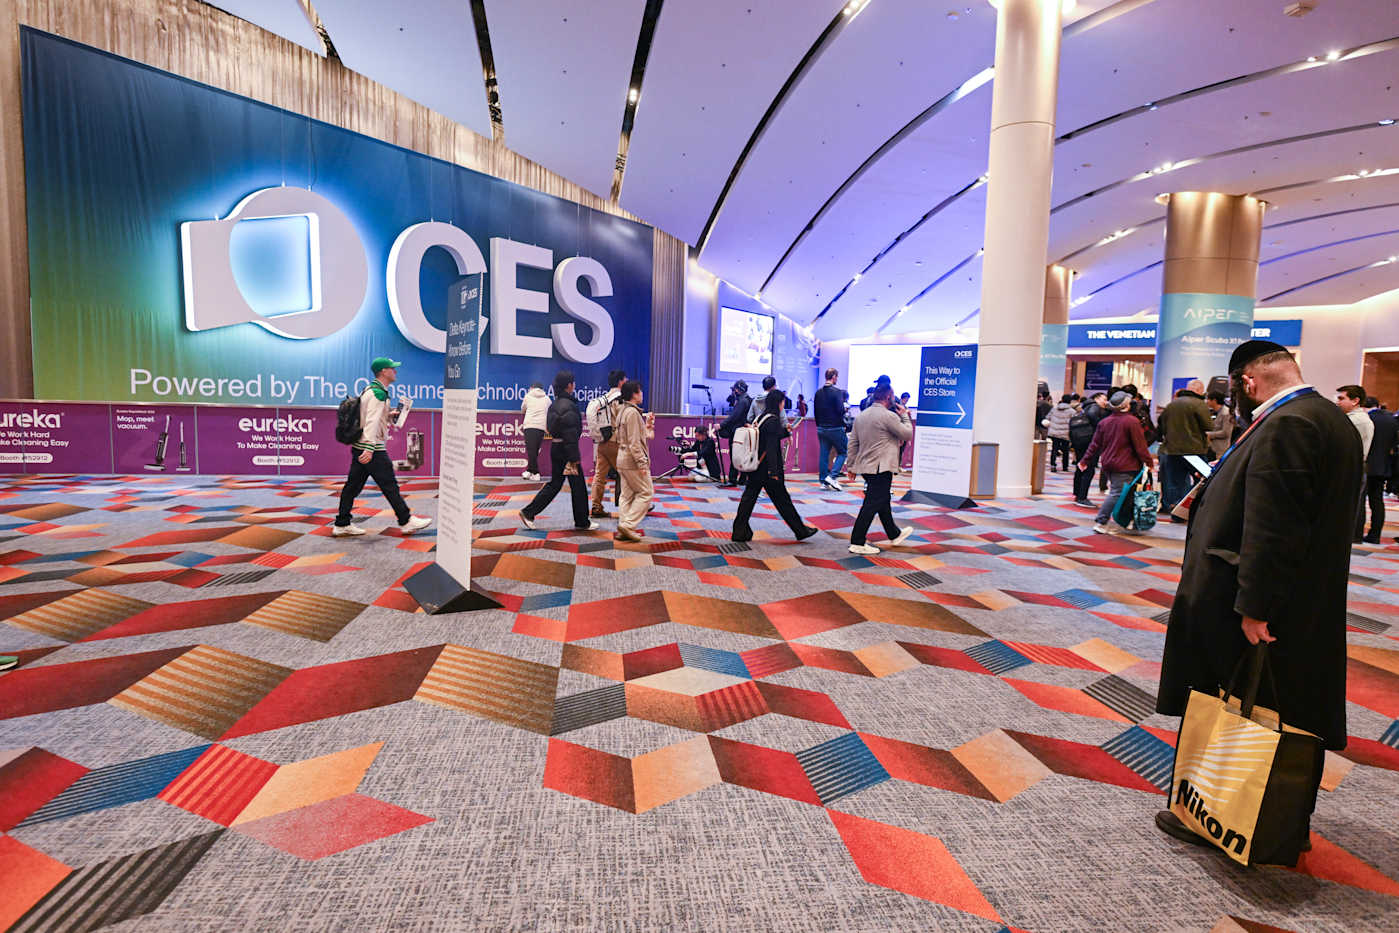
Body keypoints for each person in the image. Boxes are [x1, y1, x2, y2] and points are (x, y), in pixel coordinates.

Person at [1154, 341, 1359, 852]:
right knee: (1287, 708)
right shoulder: (1327, 418)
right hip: (1304, 596)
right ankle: (1279, 818)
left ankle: (1234, 816)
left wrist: (1255, 606)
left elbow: (1274, 525)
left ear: (1248, 382)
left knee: (1250, 706)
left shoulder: (1288, 424)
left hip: (1259, 604)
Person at [334, 356, 432, 537]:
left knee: (352, 487)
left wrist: (387, 415)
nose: (395, 371)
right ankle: (406, 521)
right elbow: (371, 422)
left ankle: (342, 523)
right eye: (392, 368)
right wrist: (370, 448)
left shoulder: (370, 390)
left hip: (360, 446)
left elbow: (368, 416)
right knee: (389, 485)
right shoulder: (378, 394)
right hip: (373, 449)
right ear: (383, 372)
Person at [731, 389, 819, 543]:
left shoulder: (762, 417)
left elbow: (769, 435)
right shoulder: (773, 420)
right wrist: (774, 472)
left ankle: (739, 531)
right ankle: (800, 530)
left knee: (748, 499)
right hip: (768, 470)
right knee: (783, 501)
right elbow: (771, 446)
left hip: (757, 466)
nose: (783, 404)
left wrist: (786, 431)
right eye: (783, 402)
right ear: (779, 402)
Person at [520, 371, 597, 532]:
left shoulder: (555, 404)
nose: (574, 385)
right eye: (573, 383)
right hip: (567, 451)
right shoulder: (569, 406)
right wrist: (574, 457)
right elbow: (570, 433)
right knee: (578, 487)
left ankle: (529, 512)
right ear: (569, 385)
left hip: (557, 448)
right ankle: (582, 522)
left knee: (555, 484)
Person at [845, 384, 915, 555]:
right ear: (888, 397)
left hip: (867, 467)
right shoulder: (889, 416)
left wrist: (851, 465)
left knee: (882, 499)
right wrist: (904, 416)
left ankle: (894, 534)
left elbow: (853, 443)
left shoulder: (861, 416)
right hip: (881, 467)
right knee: (872, 503)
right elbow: (907, 434)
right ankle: (857, 541)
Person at [1077, 390, 1155, 534]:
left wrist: (1085, 460)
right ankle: (1101, 521)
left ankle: (1126, 522)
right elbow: (1140, 446)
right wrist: (1149, 462)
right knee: (1117, 493)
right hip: (1126, 464)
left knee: (1124, 493)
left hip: (1108, 463)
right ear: (1126, 405)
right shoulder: (1132, 422)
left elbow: (1095, 444)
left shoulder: (1104, 422)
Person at [1157, 379, 1212, 517]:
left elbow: (1161, 425)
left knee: (1176, 483)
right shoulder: (1199, 404)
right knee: (1203, 480)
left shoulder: (1172, 404)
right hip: (1195, 450)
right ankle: (1195, 510)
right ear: (1199, 390)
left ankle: (1177, 511)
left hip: (1172, 450)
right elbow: (1209, 426)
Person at [613, 380, 654, 542]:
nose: (642, 394)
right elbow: (634, 443)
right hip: (631, 461)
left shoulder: (622, 410)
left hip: (622, 458)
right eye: (640, 391)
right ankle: (628, 525)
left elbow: (638, 437)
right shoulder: (632, 413)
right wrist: (642, 463)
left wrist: (648, 426)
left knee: (626, 496)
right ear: (634, 394)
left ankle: (624, 528)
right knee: (646, 493)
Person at [586, 369, 626, 519]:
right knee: (628, 474)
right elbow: (624, 421)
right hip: (616, 442)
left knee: (599, 476)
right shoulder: (620, 399)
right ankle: (631, 506)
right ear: (621, 381)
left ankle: (596, 506)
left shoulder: (604, 399)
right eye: (625, 379)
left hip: (602, 442)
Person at [1336, 384, 1373, 544]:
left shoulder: (1356, 421)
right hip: (1353, 467)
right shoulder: (1355, 419)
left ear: (1355, 400)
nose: (1338, 402)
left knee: (1345, 508)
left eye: (1341, 398)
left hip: (1350, 468)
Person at [1360, 397, 1396, 544]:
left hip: (1367, 465)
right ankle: (1375, 534)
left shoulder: (1366, 419)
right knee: (1377, 501)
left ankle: (1357, 532)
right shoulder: (1391, 420)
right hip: (1383, 466)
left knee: (1360, 502)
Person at [1069, 391, 1108, 506]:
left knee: (1080, 467)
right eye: (1104, 399)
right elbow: (1092, 415)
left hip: (1080, 440)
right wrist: (1101, 425)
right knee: (1089, 469)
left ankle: (1077, 493)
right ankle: (1082, 497)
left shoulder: (1085, 407)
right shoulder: (1094, 407)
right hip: (1089, 442)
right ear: (1097, 398)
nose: (1105, 402)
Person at [814, 368, 849, 491]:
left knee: (824, 454)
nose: (837, 379)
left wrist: (819, 425)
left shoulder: (818, 393)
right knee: (843, 452)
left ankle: (823, 481)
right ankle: (832, 476)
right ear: (833, 376)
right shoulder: (837, 392)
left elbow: (816, 411)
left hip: (821, 427)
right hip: (835, 427)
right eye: (837, 376)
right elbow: (840, 410)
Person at [716, 380, 751, 487]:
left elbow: (734, 417)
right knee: (741, 455)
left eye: (734, 389)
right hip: (742, 431)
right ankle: (742, 479)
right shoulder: (746, 399)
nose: (733, 391)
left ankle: (732, 479)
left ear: (738, 390)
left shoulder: (742, 401)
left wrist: (721, 425)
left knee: (735, 455)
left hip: (737, 432)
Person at [519, 382, 549, 481]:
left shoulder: (528, 396)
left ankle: (536, 473)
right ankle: (529, 470)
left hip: (530, 425)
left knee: (531, 450)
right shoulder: (547, 399)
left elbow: (522, 409)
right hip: (541, 427)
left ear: (532, 388)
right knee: (534, 450)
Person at [1042, 394, 1075, 472]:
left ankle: (1053, 465)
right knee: (1065, 450)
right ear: (1070, 401)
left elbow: (1047, 418)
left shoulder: (1054, 409)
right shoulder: (1072, 411)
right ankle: (1065, 466)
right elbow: (1073, 422)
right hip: (1065, 433)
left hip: (1055, 432)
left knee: (1054, 449)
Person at [1204, 390, 1233, 461]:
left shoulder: (1226, 413)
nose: (1206, 401)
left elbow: (1226, 432)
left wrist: (1208, 434)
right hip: (1212, 449)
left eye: (1208, 399)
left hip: (1220, 451)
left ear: (1214, 400)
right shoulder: (1213, 412)